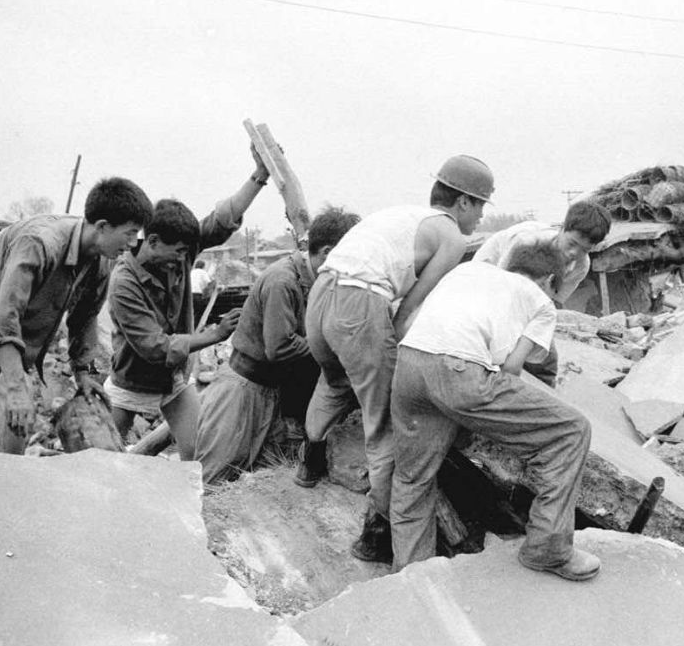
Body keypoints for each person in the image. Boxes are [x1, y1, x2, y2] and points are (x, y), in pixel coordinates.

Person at [298, 155, 495, 564]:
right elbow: (409, 311)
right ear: (463, 202)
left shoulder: (401, 215)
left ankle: (308, 464)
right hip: (359, 303)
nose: (479, 217)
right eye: (480, 206)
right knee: (386, 424)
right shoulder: (452, 238)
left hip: (321, 296)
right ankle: (376, 534)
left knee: (333, 382)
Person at [389, 242, 598, 580]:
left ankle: (410, 579)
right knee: (572, 430)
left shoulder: (468, 270)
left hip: (409, 365)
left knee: (412, 477)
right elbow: (512, 368)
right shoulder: (541, 302)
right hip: (459, 373)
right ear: (549, 280)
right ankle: (548, 548)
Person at [0, 178, 153, 454]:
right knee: (20, 395)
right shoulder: (40, 243)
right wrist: (17, 386)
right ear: (102, 226)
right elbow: (6, 315)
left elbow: (85, 319)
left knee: (11, 417)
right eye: (130, 233)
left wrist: (84, 373)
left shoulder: (101, 262)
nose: (133, 243)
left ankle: (4, 472)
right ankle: (12, 476)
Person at [105, 146, 271, 460]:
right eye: (179, 252)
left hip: (174, 379)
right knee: (104, 458)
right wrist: (215, 334)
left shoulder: (177, 250)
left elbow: (221, 221)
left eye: (187, 251)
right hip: (132, 380)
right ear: (152, 241)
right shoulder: (124, 282)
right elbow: (155, 347)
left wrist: (259, 176)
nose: (185, 259)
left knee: (196, 452)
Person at [195, 206, 360, 486]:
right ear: (328, 252)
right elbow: (279, 346)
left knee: (260, 470)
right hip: (243, 390)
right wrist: (330, 346)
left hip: (271, 391)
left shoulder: (317, 281)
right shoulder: (282, 281)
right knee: (214, 475)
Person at [473, 199, 612, 384]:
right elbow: (501, 287)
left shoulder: (581, 265)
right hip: (488, 281)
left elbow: (552, 303)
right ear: (562, 228)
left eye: (584, 250)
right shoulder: (526, 241)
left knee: (546, 360)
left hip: (526, 300)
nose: (574, 253)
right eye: (572, 243)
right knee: (495, 343)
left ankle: (542, 392)